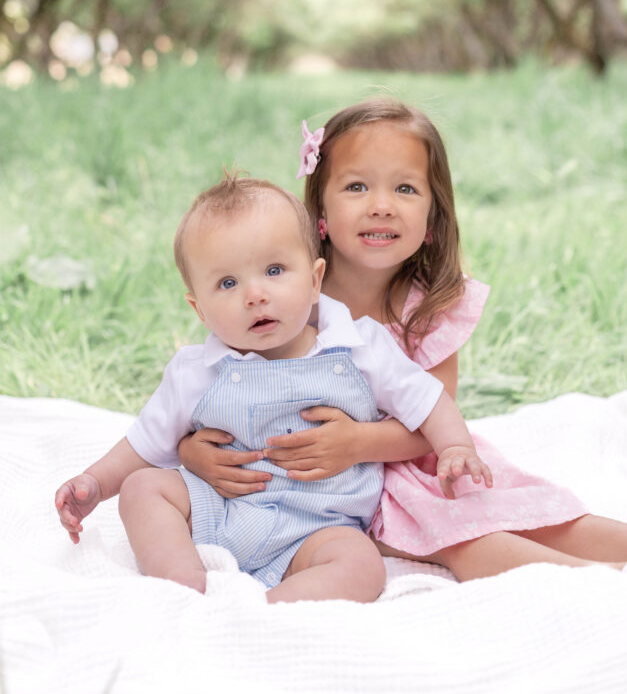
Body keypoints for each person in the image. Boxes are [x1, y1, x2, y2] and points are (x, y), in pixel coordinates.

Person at [179, 101, 627, 579]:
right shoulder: (284, 303)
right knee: (467, 540)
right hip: (340, 489)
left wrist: (357, 441)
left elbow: (435, 414)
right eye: (356, 186)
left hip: (420, 458)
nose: (381, 205)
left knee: (541, 516)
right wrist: (191, 452)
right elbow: (210, 388)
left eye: (406, 188)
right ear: (320, 212)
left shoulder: (432, 307)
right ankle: (596, 588)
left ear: (432, 217)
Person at [55, 174, 493, 604]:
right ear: (199, 308)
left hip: (318, 528)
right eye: (228, 283)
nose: (255, 295)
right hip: (219, 510)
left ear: (316, 278)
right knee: (142, 489)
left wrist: (455, 446)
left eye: (275, 270)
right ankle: (182, 583)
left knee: (361, 565)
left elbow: (428, 399)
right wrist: (94, 482)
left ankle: (267, 612)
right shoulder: (196, 371)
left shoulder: (357, 347)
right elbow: (143, 443)